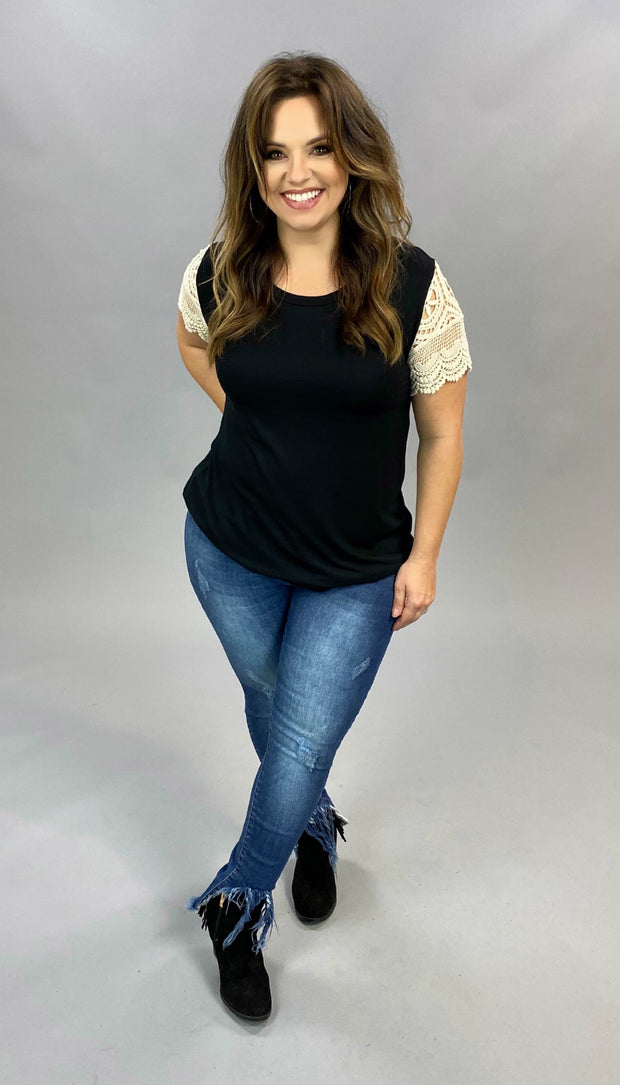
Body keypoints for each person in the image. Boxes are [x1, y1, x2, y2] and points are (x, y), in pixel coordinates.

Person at [176, 52, 472, 1022]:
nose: (296, 172)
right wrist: (250, 420)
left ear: (351, 156)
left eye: (317, 147)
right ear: (253, 167)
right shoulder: (224, 269)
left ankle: (234, 902)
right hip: (229, 551)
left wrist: (424, 553)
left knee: (299, 735)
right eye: (275, 153)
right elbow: (191, 339)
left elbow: (441, 434)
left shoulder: (412, 285)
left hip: (354, 570)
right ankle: (312, 824)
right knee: (278, 715)